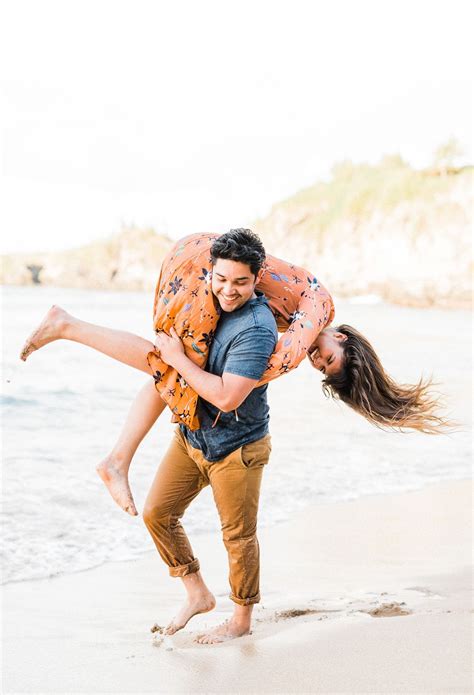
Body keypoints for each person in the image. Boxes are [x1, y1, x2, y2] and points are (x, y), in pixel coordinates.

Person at [20, 229, 448, 642]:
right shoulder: (318, 309)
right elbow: (269, 366)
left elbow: (230, 383)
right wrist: (213, 376)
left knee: (171, 369)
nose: (314, 358)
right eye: (327, 356)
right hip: (198, 267)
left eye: (320, 366)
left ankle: (125, 467)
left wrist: (204, 376)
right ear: (342, 337)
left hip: (198, 265)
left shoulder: (273, 314)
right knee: (167, 363)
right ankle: (72, 338)